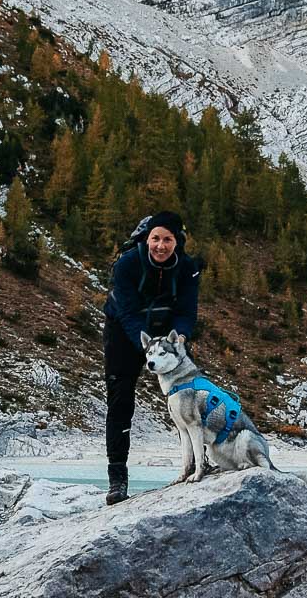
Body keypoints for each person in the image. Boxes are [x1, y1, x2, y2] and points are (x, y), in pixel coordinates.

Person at [103, 210, 201, 505]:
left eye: (167, 239)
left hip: (168, 334)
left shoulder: (187, 269)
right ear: (146, 239)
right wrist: (148, 349)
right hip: (124, 330)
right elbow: (128, 313)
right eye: (155, 238)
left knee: (193, 395)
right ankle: (117, 478)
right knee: (120, 400)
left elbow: (187, 312)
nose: (160, 245)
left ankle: (199, 462)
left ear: (177, 241)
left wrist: (180, 338)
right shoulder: (127, 265)